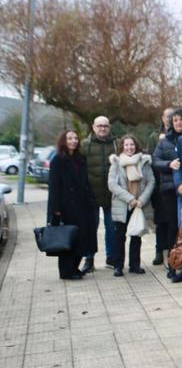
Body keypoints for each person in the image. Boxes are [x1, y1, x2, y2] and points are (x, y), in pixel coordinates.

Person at [47, 130, 97, 280]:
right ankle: (66, 271)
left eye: (75, 138)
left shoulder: (80, 158)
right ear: (64, 141)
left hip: (82, 206)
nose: (74, 141)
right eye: (70, 138)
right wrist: (55, 209)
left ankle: (75, 267)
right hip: (66, 207)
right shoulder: (58, 160)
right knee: (67, 239)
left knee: (81, 238)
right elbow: (54, 186)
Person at [108, 135, 155, 277]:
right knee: (119, 237)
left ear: (136, 146)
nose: (129, 147)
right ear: (122, 147)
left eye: (132, 145)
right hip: (122, 205)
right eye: (126, 145)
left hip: (139, 204)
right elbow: (112, 184)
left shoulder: (144, 162)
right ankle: (118, 266)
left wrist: (141, 200)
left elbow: (151, 182)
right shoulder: (116, 163)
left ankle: (134, 265)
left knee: (136, 235)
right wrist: (130, 199)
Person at [153, 110, 182, 281]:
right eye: (175, 120)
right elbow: (155, 161)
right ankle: (173, 263)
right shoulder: (164, 141)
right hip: (169, 190)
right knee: (172, 227)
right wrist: (169, 164)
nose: (179, 123)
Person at [80, 116, 117, 273]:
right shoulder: (84, 145)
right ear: (93, 127)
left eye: (105, 126)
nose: (103, 128)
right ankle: (89, 259)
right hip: (91, 195)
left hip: (111, 195)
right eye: (99, 126)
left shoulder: (116, 144)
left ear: (109, 127)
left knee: (111, 228)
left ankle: (111, 258)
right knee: (90, 228)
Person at [150, 107, 176, 266]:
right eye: (167, 116)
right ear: (162, 118)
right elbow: (152, 158)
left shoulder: (178, 137)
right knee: (161, 221)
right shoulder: (154, 137)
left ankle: (172, 252)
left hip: (172, 184)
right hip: (159, 184)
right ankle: (159, 250)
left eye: (172, 116)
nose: (170, 119)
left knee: (171, 221)